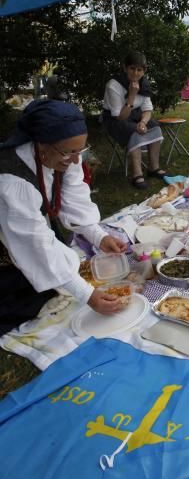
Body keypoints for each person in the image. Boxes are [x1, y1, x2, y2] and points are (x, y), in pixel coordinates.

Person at [0, 99, 128, 335]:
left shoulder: (63, 154)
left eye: (81, 150)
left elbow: (73, 197)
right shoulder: (11, 181)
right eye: (70, 152)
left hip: (33, 229)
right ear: (41, 146)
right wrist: (87, 295)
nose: (77, 160)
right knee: (22, 299)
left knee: (53, 279)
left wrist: (98, 236)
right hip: (7, 245)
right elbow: (35, 243)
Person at [102, 51, 165, 190]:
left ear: (144, 70)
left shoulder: (144, 84)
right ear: (125, 68)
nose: (135, 73)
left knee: (155, 127)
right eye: (132, 68)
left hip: (135, 116)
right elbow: (120, 117)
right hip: (115, 119)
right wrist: (131, 96)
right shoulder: (114, 85)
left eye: (139, 70)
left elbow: (147, 109)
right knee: (134, 131)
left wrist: (143, 122)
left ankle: (153, 168)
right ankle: (137, 174)